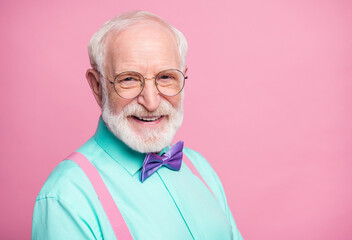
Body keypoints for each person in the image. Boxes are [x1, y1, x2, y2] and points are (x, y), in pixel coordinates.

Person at [32, 11, 244, 240]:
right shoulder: (66, 197)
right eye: (129, 79)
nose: (151, 103)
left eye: (165, 77)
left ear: (182, 78)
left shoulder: (200, 168)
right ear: (97, 86)